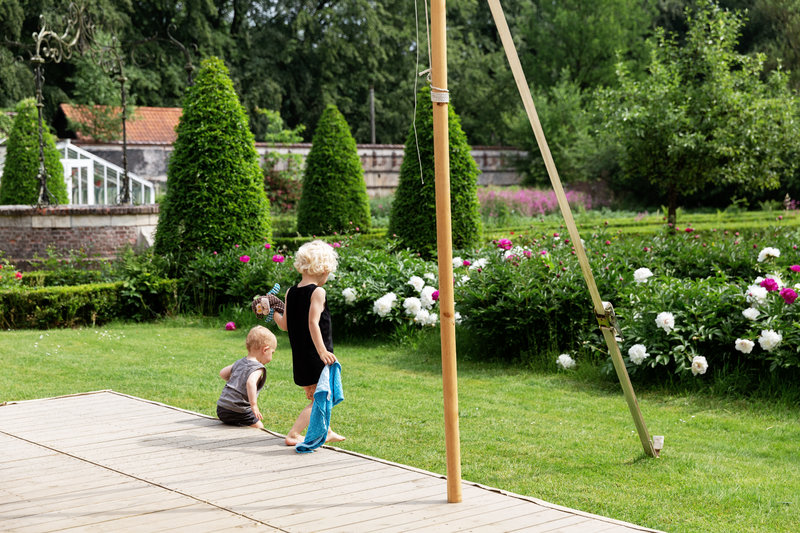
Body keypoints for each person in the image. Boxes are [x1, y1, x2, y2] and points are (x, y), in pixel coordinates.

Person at [273, 240, 346, 446]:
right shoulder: (317, 292)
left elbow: (284, 325)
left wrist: (273, 311)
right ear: (323, 270)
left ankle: (327, 431)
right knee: (319, 400)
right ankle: (294, 434)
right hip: (315, 357)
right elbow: (313, 323)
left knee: (320, 395)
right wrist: (322, 351)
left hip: (301, 358)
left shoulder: (290, 292)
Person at [216, 325, 276, 429]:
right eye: (272, 352)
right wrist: (254, 405)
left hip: (222, 409)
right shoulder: (257, 367)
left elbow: (222, 373)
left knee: (238, 422)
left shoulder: (239, 362)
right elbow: (250, 382)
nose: (272, 356)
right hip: (239, 410)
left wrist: (236, 381)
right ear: (265, 350)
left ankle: (234, 421)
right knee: (259, 427)